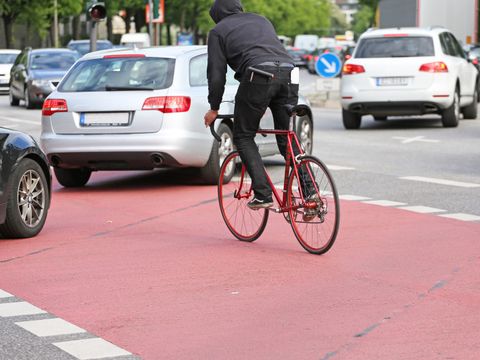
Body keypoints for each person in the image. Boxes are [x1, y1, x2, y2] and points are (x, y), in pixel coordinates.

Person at [203, 0, 300, 209]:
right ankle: (310, 193)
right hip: (291, 73)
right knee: (286, 139)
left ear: (217, 14)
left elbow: (216, 73)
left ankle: (263, 194)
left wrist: (214, 107)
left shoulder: (218, 31)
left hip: (259, 75)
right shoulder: (261, 20)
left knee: (243, 136)